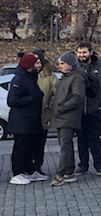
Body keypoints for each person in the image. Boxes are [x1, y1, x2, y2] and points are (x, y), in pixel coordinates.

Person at [73, 42, 101, 176]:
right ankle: (83, 165)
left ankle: (100, 166)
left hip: (95, 109)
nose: (81, 55)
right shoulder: (74, 67)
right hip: (79, 111)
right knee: (81, 139)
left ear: (90, 52)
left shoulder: (100, 68)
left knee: (94, 138)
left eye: (84, 52)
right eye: (79, 52)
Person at [7, 52, 44, 185]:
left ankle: (29, 170)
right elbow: (12, 101)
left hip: (31, 120)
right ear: (29, 66)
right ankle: (17, 173)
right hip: (21, 122)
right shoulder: (19, 79)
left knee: (30, 147)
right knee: (20, 147)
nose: (40, 65)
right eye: (37, 63)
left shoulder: (31, 76)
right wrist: (32, 98)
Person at [50, 52, 86, 187]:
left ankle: (61, 174)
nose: (60, 66)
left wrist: (62, 107)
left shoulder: (76, 78)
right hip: (61, 116)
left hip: (68, 116)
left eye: (62, 63)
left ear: (70, 64)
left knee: (65, 146)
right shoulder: (65, 77)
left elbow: (78, 97)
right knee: (65, 145)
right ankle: (69, 172)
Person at [32, 51, 58, 180]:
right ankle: (26, 167)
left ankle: (37, 167)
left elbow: (55, 94)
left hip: (44, 116)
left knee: (40, 144)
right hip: (29, 116)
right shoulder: (28, 74)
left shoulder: (50, 76)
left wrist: (49, 107)